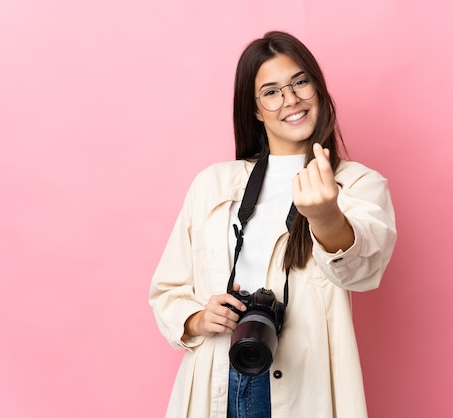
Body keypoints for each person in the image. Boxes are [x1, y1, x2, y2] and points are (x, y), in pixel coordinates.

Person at [149, 31, 397, 418]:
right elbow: (167, 289)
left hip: (302, 386)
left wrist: (325, 216)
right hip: (218, 372)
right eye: (271, 92)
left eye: (300, 82)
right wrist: (199, 318)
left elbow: (362, 270)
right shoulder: (212, 183)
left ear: (318, 87)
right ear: (254, 109)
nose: (291, 100)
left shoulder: (357, 184)